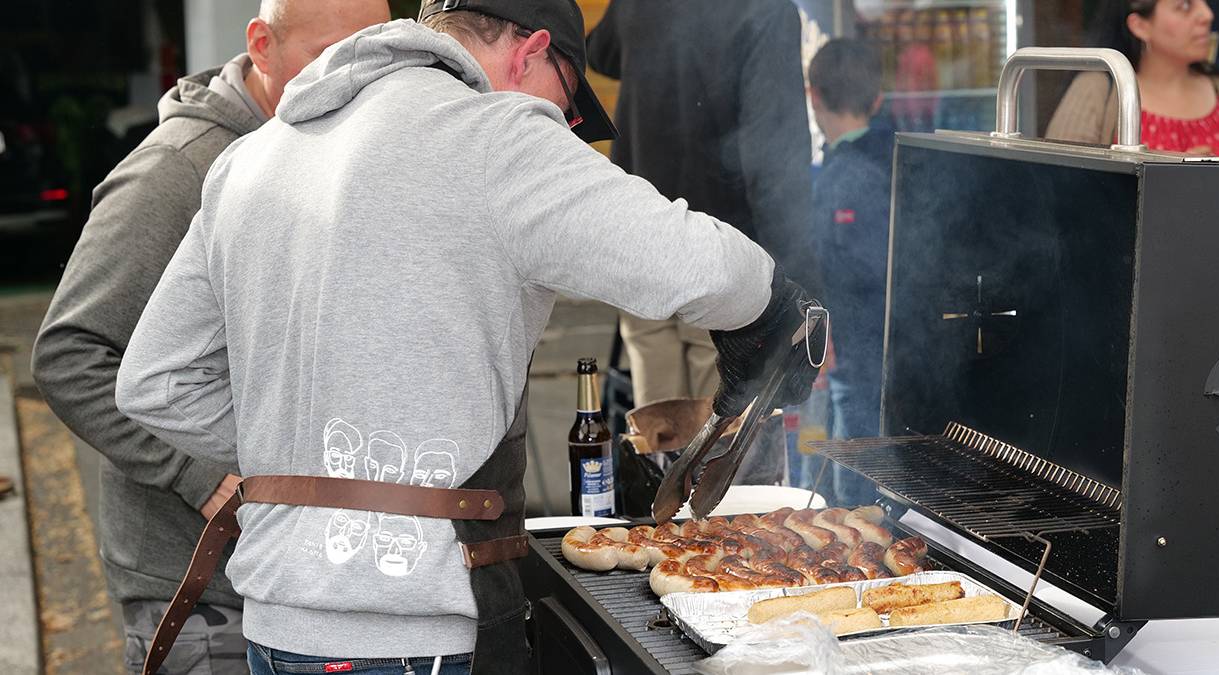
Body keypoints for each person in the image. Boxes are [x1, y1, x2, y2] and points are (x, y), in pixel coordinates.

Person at [112, 1, 820, 672]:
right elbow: (696, 261)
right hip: (411, 627)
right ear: (532, 52)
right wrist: (774, 305)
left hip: (274, 622)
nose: (564, 126)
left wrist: (306, 453)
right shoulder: (497, 135)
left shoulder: (253, 156)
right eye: (566, 102)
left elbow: (154, 379)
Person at [30, 1, 390, 672]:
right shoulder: (177, 171)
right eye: (327, 59)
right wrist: (196, 472)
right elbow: (68, 353)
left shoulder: (329, 147)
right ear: (261, 44)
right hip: (203, 592)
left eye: (374, 61)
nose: (351, 84)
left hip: (303, 581)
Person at [586, 0, 817, 409]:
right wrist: (800, 289)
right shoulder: (765, 9)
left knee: (658, 435)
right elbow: (776, 163)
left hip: (640, 245)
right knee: (721, 449)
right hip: (722, 260)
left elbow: (600, 52)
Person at [807, 39, 891, 506]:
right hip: (895, 344)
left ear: (812, 95)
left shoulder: (838, 178)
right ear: (878, 99)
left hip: (852, 350)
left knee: (852, 470)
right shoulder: (897, 158)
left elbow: (828, 267)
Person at [1047, 0, 1219, 161]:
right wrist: (1165, 181)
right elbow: (1061, 193)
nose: (1207, 14)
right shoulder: (1097, 90)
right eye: (1185, 6)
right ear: (1140, 26)